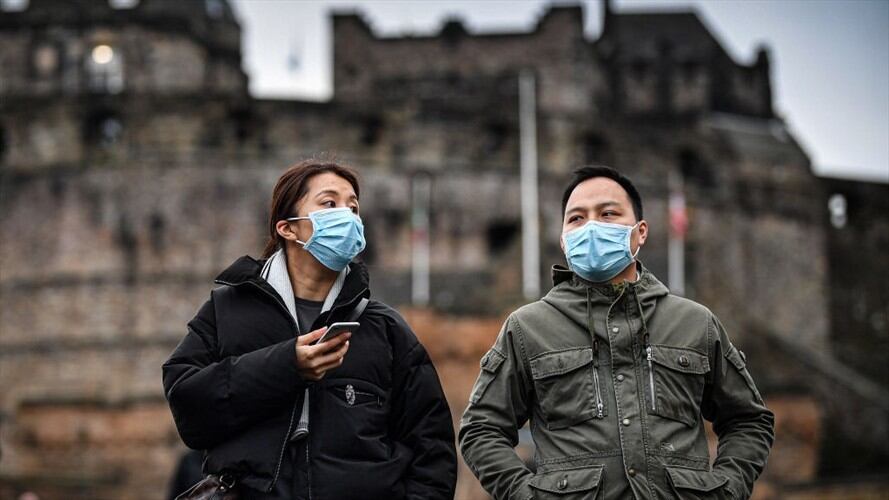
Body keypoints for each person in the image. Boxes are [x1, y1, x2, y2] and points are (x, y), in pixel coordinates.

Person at [460, 166, 774, 499]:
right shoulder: (527, 328)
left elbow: (748, 421)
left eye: (608, 213)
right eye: (577, 218)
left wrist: (727, 490)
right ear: (564, 241)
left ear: (640, 232)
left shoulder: (696, 323)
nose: (591, 226)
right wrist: (526, 495)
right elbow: (481, 429)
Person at [163, 160, 457, 500]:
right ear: (288, 228)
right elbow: (188, 405)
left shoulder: (384, 328)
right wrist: (286, 366)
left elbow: (432, 450)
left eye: (353, 207)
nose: (348, 217)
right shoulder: (228, 310)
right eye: (330, 203)